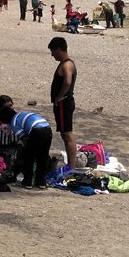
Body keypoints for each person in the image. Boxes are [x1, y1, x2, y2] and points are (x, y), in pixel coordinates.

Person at [0, 103, 53, 188]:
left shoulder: (13, 123)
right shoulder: (21, 114)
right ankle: (41, 182)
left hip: (36, 131)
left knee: (29, 157)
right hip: (47, 128)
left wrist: (26, 150)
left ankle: (27, 182)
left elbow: (24, 138)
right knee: (43, 156)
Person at [48, 36, 78, 170]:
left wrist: (60, 96)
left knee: (67, 134)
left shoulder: (67, 64)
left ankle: (71, 166)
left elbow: (67, 81)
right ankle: (70, 164)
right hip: (63, 104)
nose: (52, 55)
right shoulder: (65, 63)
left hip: (64, 103)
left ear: (59, 49)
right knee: (64, 133)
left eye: (53, 51)